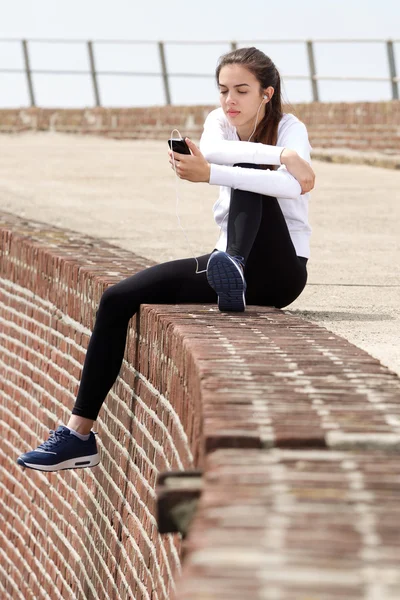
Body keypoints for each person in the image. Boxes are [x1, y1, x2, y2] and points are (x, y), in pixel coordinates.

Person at [17, 47, 315, 472]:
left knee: (253, 174)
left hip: (282, 272)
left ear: (267, 94)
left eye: (242, 91)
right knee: (119, 297)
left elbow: (292, 187)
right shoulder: (219, 124)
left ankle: (235, 266)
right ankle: (77, 435)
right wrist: (279, 159)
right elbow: (215, 151)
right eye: (224, 90)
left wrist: (273, 157)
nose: (230, 100)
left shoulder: (290, 128)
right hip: (226, 261)